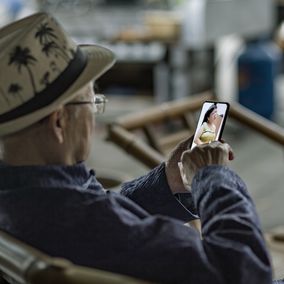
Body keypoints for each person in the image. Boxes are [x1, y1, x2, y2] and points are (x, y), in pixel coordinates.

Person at [0, 12, 274, 284]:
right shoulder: (79, 221)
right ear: (59, 121)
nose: (95, 114)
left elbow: (106, 221)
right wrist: (212, 176)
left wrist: (167, 182)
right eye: (92, 102)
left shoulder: (27, 199)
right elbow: (245, 270)